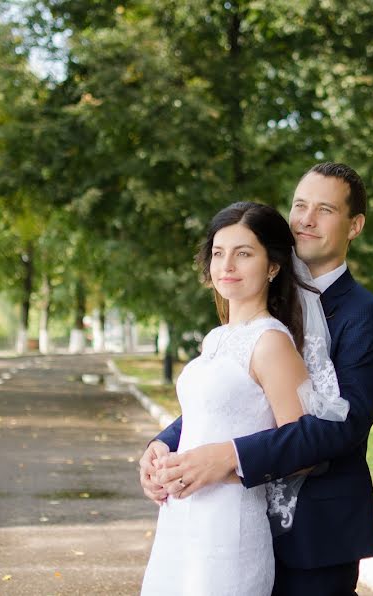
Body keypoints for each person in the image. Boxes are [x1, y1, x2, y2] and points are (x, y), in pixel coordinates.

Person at [140, 162, 373, 595]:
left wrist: (230, 457)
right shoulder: (256, 296)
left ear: (354, 226)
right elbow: (234, 396)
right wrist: (165, 443)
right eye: (300, 205)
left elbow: (343, 426)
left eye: (325, 209)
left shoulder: (366, 316)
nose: (306, 219)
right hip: (229, 519)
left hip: (313, 531)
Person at [140, 201, 325, 595]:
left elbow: (303, 446)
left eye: (244, 254)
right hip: (180, 520)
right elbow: (206, 417)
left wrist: (225, 463)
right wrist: (158, 450)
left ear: (273, 266)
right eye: (219, 253)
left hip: (229, 527)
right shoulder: (217, 338)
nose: (227, 265)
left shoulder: (271, 341)